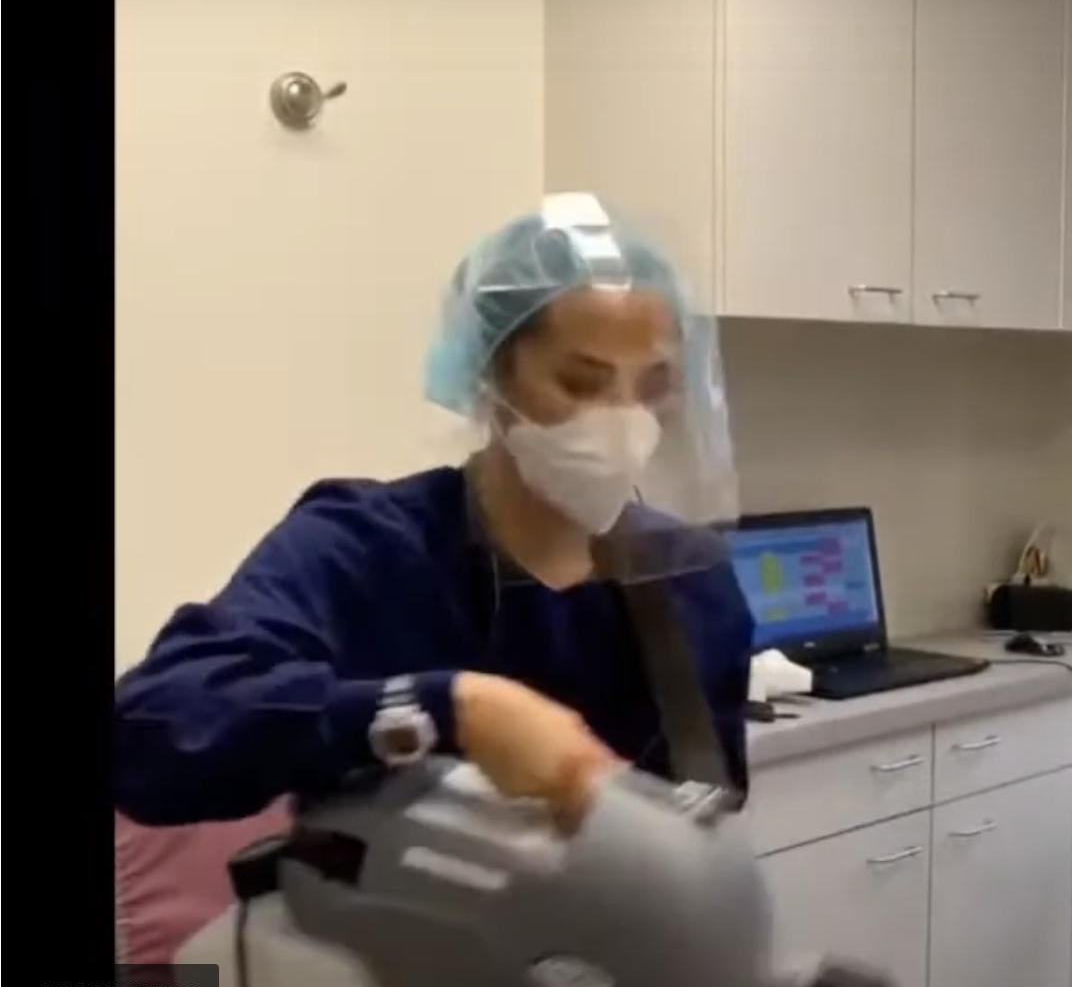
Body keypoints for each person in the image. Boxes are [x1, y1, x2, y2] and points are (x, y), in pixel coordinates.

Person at [114, 194, 755, 831]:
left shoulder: (688, 579)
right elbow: (152, 730)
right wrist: (445, 709)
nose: (625, 424)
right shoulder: (367, 548)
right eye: (581, 383)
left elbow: (704, 807)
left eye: (653, 387)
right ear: (490, 373)